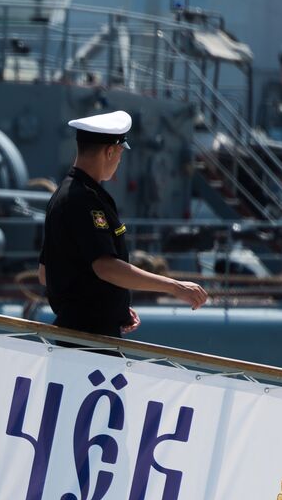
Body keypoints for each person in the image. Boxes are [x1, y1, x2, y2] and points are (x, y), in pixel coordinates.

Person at [37, 110, 209, 337]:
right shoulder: (85, 200)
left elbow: (45, 273)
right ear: (110, 151)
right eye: (119, 153)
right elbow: (105, 267)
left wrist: (112, 306)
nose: (119, 160)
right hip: (89, 338)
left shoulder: (65, 194)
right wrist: (174, 286)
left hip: (78, 331)